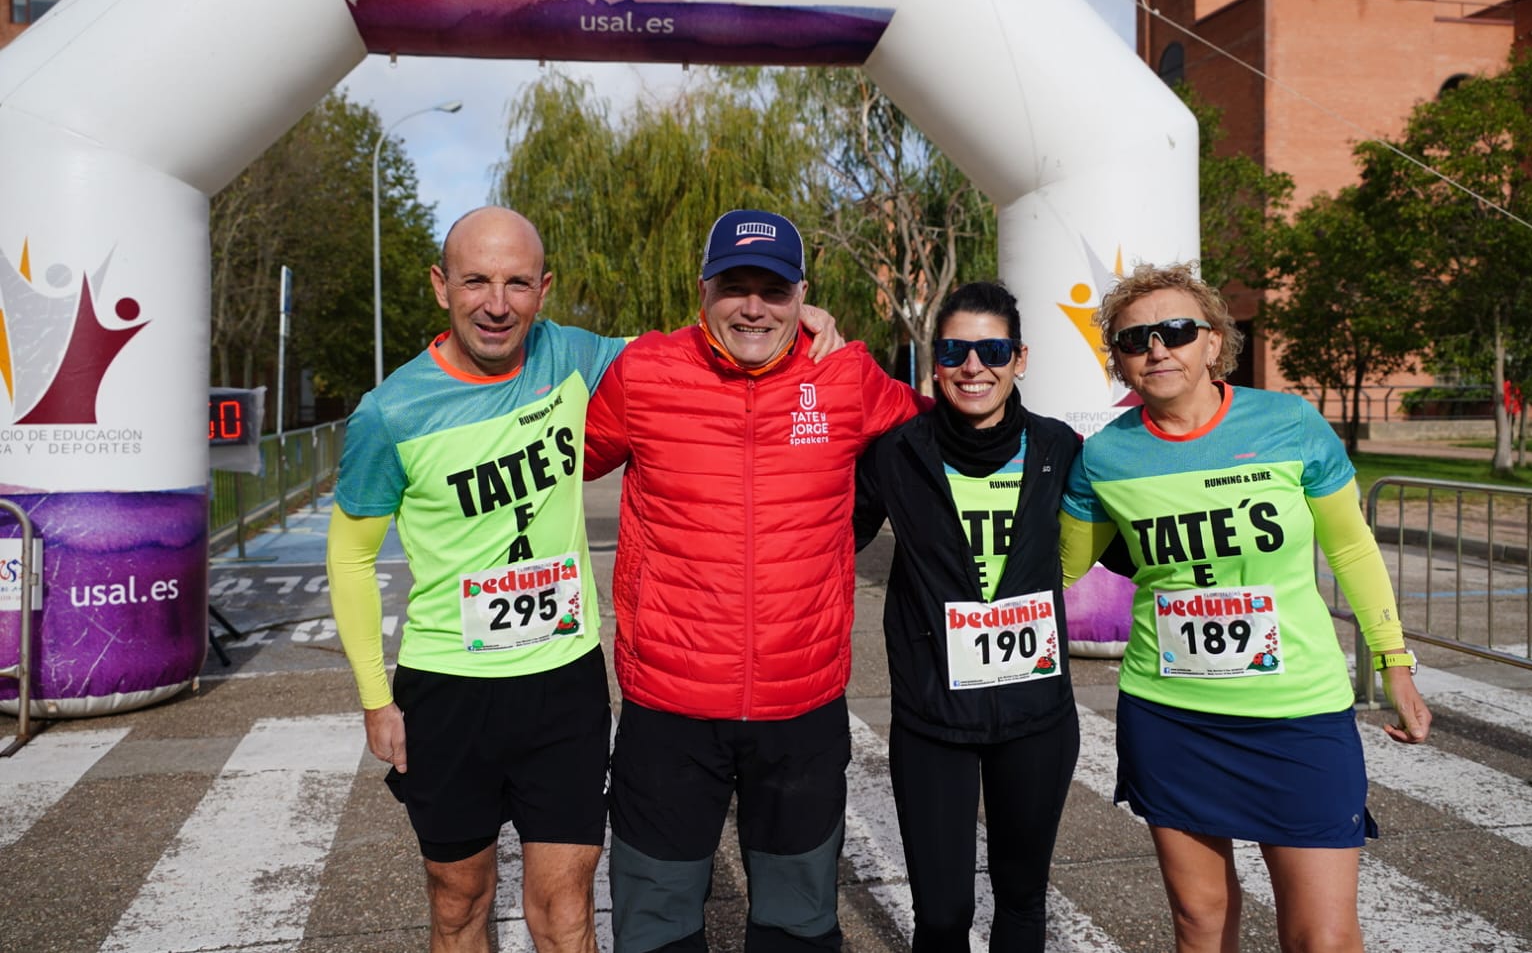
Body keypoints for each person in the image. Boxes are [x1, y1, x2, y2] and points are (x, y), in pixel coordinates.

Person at [326, 205, 845, 953]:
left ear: (544, 288)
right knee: (457, 900)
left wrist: (798, 314)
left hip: (563, 681)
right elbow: (349, 557)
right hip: (447, 685)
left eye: (516, 283)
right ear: (442, 286)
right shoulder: (389, 412)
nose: (496, 303)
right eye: (475, 281)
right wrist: (376, 698)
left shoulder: (575, 356)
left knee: (566, 906)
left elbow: (717, 332)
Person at [583, 208, 930, 953]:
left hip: (800, 708)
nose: (753, 306)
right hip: (669, 708)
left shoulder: (844, 375)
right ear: (702, 291)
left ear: (801, 295)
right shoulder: (645, 371)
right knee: (653, 925)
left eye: (773, 289)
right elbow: (555, 457)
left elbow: (950, 436)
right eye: (734, 286)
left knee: (799, 925)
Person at [1058, 262, 1432, 953]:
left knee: (1322, 935)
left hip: (1297, 714)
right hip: (1173, 716)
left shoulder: (1288, 423)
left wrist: (1395, 661)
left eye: (1175, 330)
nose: (1156, 348)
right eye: (1134, 339)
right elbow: (1058, 569)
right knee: (1200, 923)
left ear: (1212, 342)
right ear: (1119, 360)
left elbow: (1352, 549)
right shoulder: (1106, 456)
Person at [853, 281, 1080, 952]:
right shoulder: (898, 453)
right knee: (944, 915)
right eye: (955, 348)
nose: (973, 365)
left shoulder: (1057, 448)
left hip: (1035, 715)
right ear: (935, 358)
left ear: (1020, 358)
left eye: (992, 348)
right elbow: (827, 540)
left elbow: (1130, 541)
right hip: (933, 719)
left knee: (1020, 903)